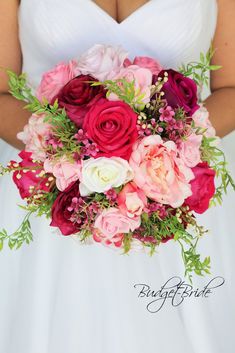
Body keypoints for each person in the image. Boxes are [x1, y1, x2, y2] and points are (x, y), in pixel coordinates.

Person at [0, 1, 234, 352]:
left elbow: (230, 88)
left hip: (179, 193)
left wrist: (160, 156)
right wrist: (75, 156)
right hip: (50, 197)